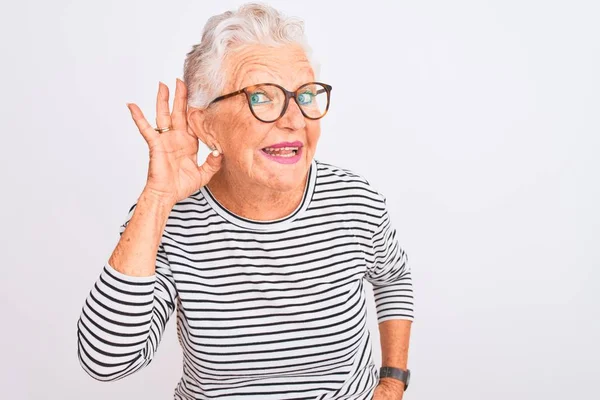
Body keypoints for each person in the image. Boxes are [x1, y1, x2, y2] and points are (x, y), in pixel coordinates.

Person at [76, 3, 414, 399]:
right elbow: (106, 361)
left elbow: (393, 278)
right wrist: (157, 198)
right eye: (263, 97)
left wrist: (392, 381)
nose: (295, 119)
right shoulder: (167, 219)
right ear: (205, 124)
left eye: (305, 94)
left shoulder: (355, 200)